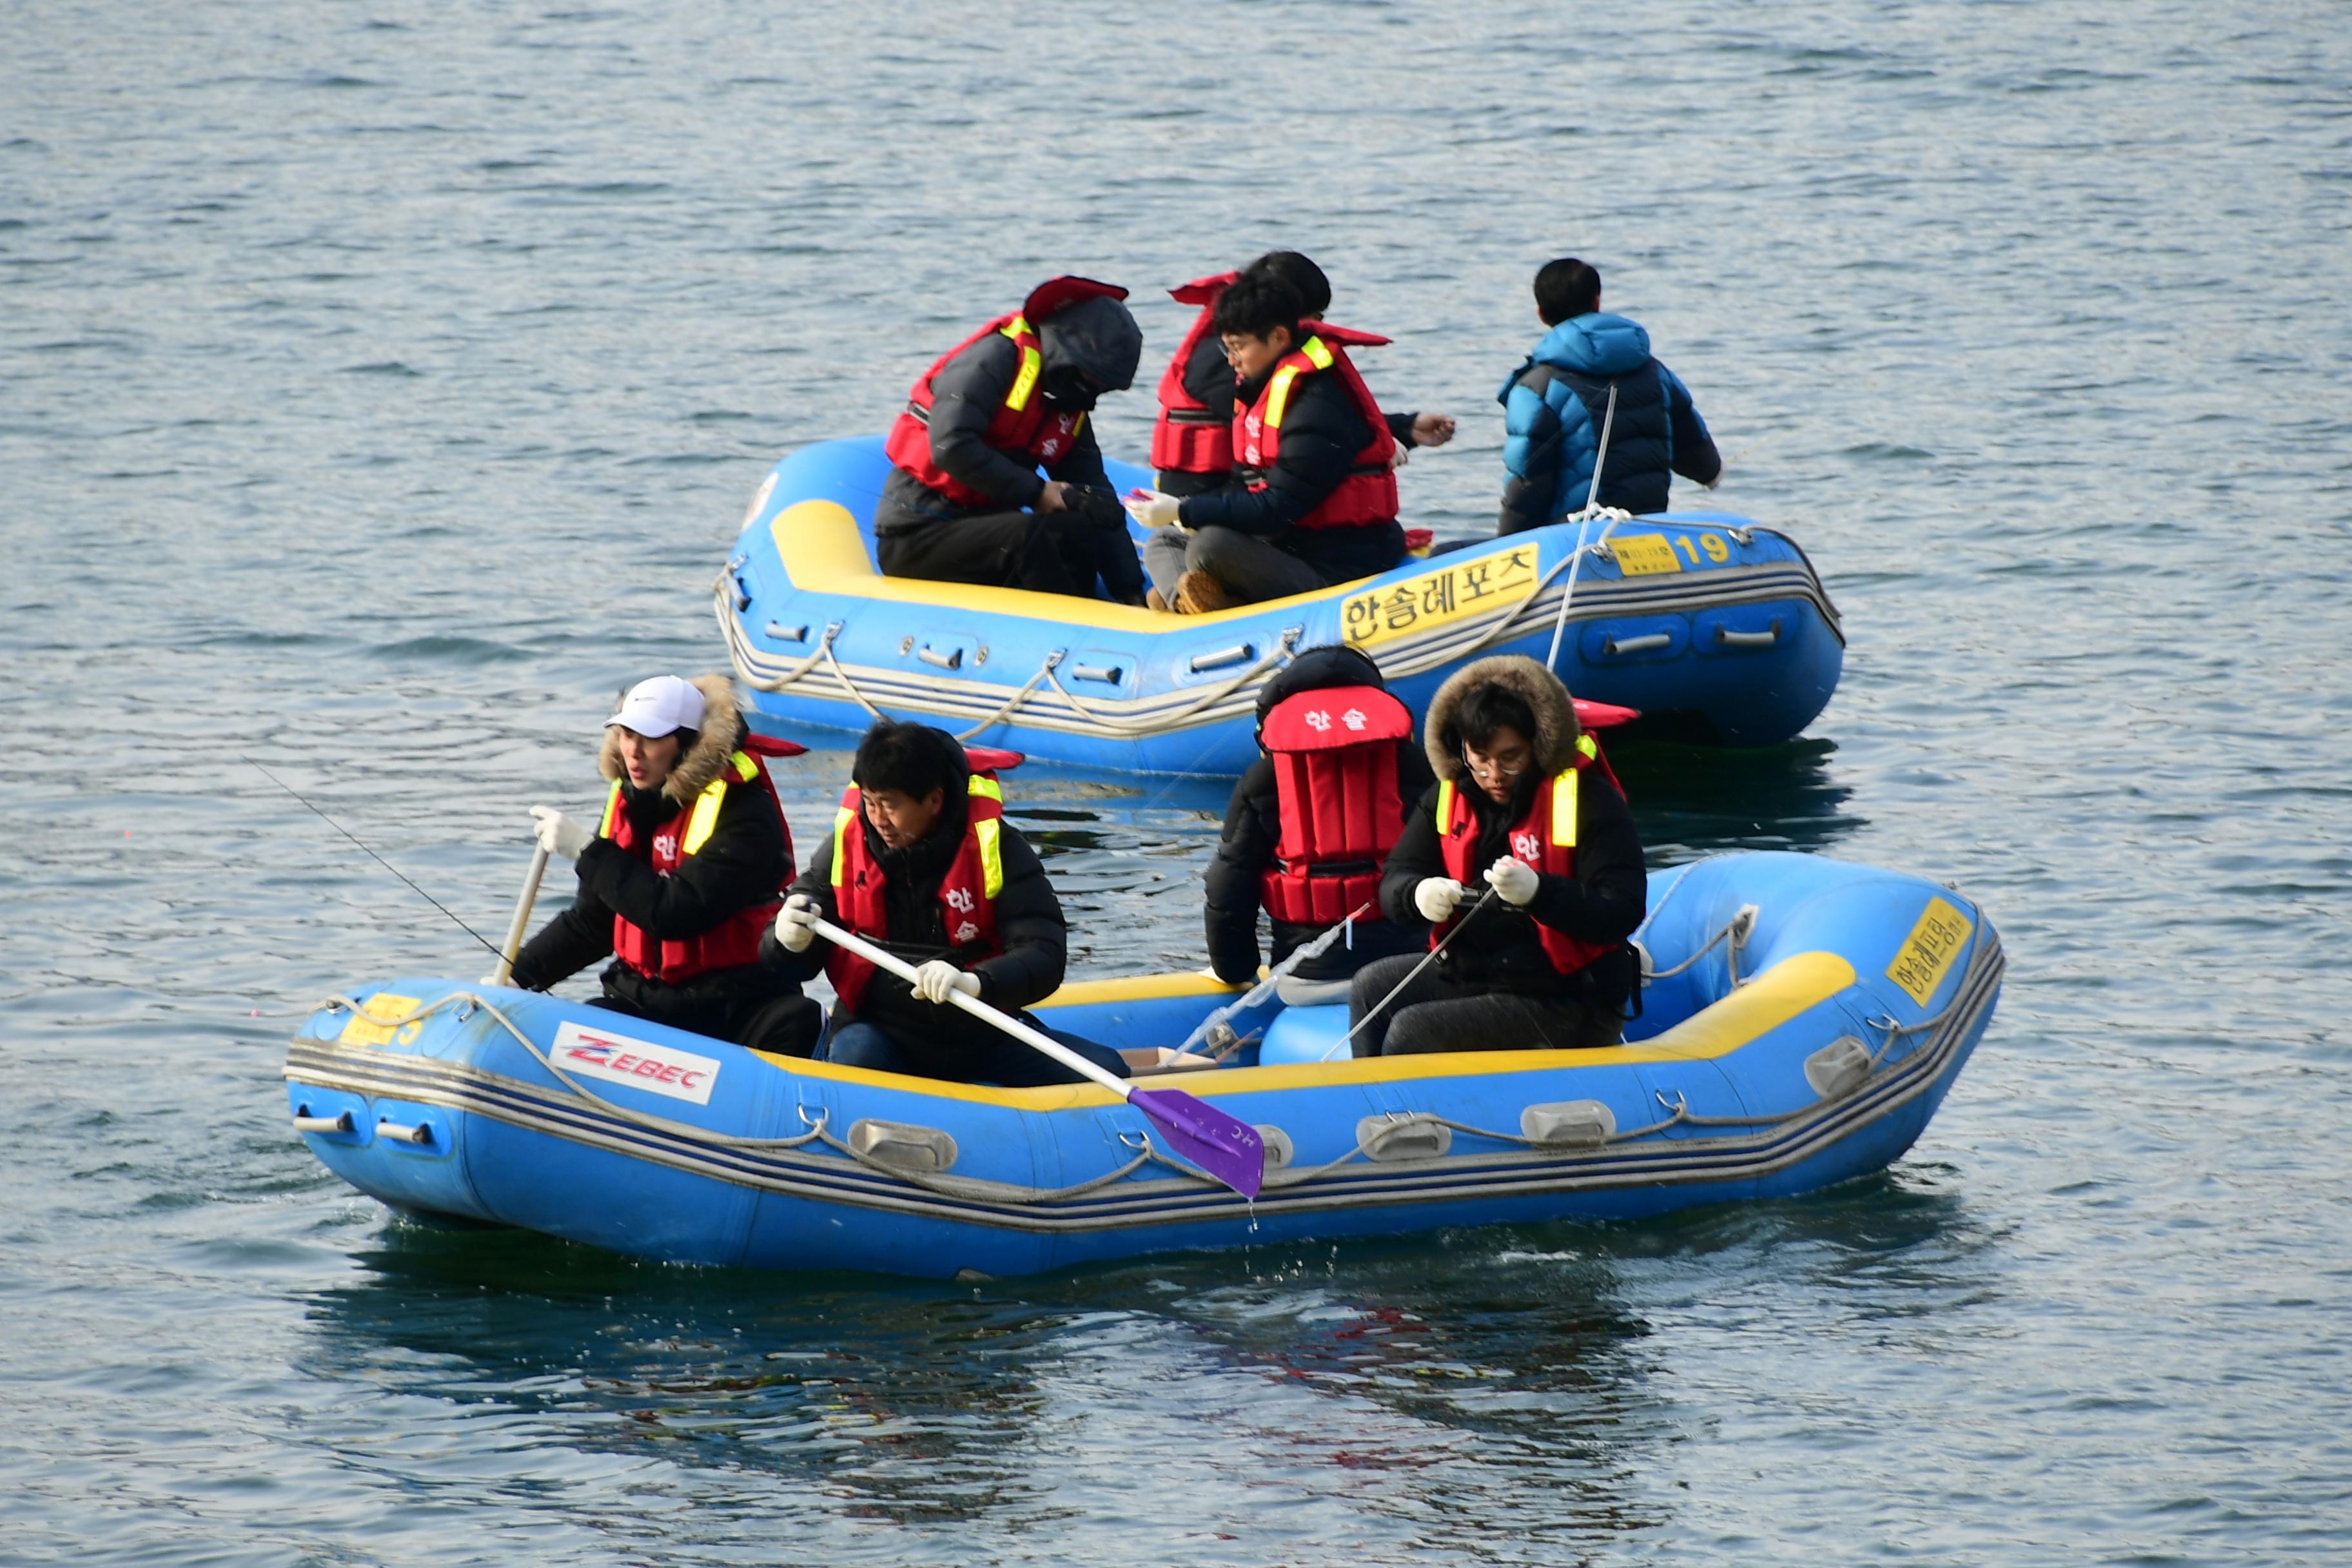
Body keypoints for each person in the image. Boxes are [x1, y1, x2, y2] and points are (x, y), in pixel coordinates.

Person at [763, 721, 1128, 1086]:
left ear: (935, 801)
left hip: (979, 1032)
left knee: (1108, 1068)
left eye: (890, 807)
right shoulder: (845, 847)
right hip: (880, 1031)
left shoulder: (998, 849)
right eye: (870, 803)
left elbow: (1045, 952)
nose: (878, 820)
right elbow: (789, 961)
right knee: (855, 1061)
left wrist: (977, 982)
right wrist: (786, 943)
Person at [507, 674, 821, 1056]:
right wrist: (515, 976)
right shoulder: (627, 800)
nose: (633, 752)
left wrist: (588, 853)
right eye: (625, 735)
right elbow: (593, 924)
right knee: (582, 1030)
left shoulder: (745, 811)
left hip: (738, 1005)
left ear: (687, 744)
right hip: (645, 1001)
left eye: (651, 739)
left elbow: (675, 913)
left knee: (797, 1021)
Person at [1346, 655, 1645, 1055]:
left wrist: (1540, 892)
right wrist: (1415, 893)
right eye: (1480, 759)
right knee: (1370, 988)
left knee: (1413, 1031)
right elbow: (1398, 873)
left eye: (1510, 758)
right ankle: (1367, 1108)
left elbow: (1623, 909)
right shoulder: (1449, 794)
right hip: (1479, 973)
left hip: (1569, 996)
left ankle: (1408, 1116)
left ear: (1537, 746)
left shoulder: (1588, 799)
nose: (1494, 775)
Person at [1128, 272, 1410, 614]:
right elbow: (1248, 487)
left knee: (1209, 546)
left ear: (1278, 337)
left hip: (1337, 568)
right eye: (1227, 348)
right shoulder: (1261, 388)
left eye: (1239, 347)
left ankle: (1197, 604)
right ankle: (1187, 604)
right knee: (1165, 539)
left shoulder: (1317, 402)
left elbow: (1280, 506)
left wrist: (1184, 509)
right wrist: (1181, 512)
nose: (1231, 361)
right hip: (1287, 547)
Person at [876, 275, 1147, 601]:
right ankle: (1063, 630)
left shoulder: (1067, 402)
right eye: (1092, 378)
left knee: (1078, 527)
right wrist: (1036, 493)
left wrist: (1132, 592)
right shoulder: (994, 359)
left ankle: (1103, 619)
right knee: (1030, 537)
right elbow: (952, 445)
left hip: (985, 529)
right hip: (918, 534)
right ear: (1066, 353)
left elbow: (1096, 491)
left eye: (1102, 385)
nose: (1094, 391)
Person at [1202, 644, 1434, 988]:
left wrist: (1236, 971)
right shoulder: (1416, 766)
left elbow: (1229, 889)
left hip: (1304, 979)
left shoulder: (1262, 780)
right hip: (1407, 973)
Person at [1151, 251, 1456, 501]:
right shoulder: (1228, 360)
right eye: (1312, 316)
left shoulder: (1266, 356)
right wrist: (1381, 442)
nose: (1314, 328)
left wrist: (1404, 427)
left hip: (1239, 493)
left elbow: (1314, 423)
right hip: (1204, 499)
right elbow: (1296, 433)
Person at [1496, 257, 1723, 533]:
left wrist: (1507, 543)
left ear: (1541, 314)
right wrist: (1710, 475)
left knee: (1444, 553)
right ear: (1596, 303)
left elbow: (1526, 482)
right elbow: (1702, 462)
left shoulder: (1535, 388)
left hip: (1573, 540)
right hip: (1648, 531)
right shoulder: (1655, 371)